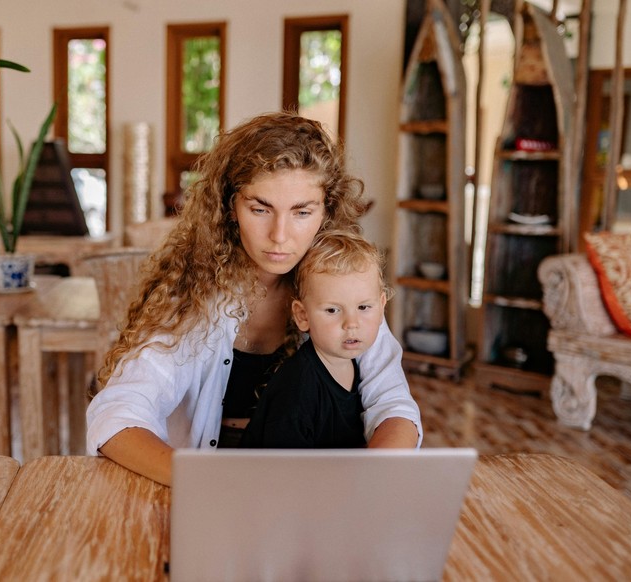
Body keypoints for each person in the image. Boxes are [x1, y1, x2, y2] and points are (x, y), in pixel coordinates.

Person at [86, 111, 422, 486]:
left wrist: (364, 480)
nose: (279, 235)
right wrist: (211, 482)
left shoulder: (340, 288)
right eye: (260, 209)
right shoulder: (193, 294)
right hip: (206, 485)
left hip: (318, 490)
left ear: (326, 210)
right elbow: (117, 415)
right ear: (231, 208)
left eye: (302, 212)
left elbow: (392, 405)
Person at [240, 230, 390, 448]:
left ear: (382, 307)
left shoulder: (352, 363)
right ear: (302, 316)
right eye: (332, 310)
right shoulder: (297, 389)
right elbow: (283, 474)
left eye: (363, 307)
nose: (352, 323)